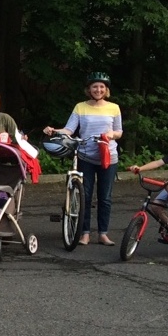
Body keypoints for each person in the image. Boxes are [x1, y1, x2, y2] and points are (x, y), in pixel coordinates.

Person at [43, 73, 122, 246]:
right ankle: (84, 233)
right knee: (84, 195)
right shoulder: (80, 107)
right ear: (89, 89)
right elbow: (69, 130)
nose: (98, 89)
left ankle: (103, 234)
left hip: (108, 157)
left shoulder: (114, 107)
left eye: (101, 87)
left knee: (105, 197)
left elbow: (119, 131)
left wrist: (111, 134)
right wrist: (54, 131)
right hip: (86, 155)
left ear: (106, 89)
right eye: (95, 86)